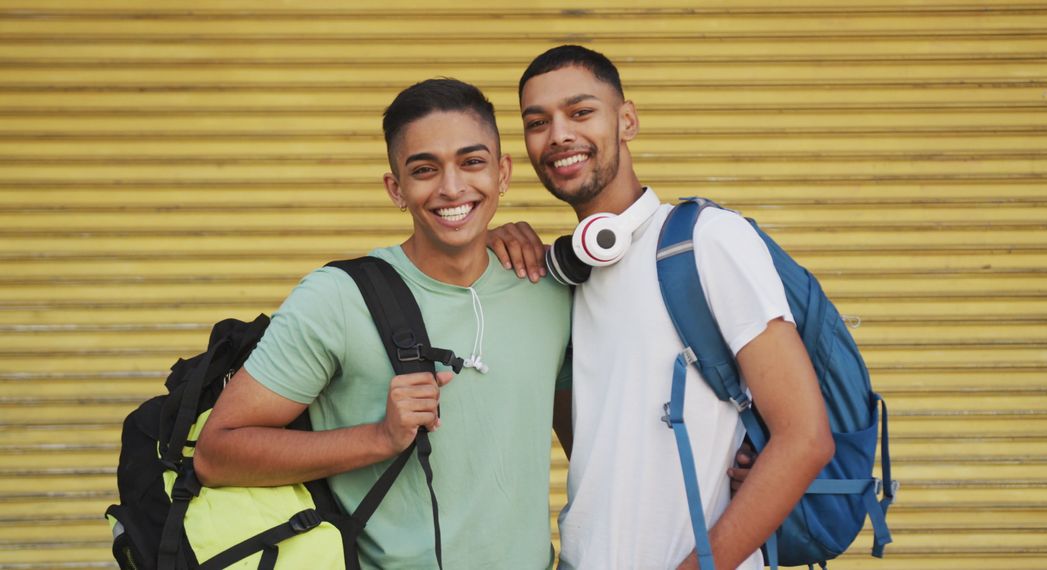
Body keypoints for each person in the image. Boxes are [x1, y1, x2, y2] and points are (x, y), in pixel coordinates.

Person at [195, 78, 573, 569]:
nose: (452, 187)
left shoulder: (549, 289)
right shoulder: (337, 299)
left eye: (472, 162)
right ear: (396, 188)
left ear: (503, 174)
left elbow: (591, 447)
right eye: (424, 169)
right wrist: (378, 438)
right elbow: (216, 454)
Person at [489, 45, 834, 570]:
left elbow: (805, 439)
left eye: (581, 112)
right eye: (537, 122)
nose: (558, 134)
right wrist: (487, 254)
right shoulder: (567, 275)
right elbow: (597, 451)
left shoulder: (708, 241)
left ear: (627, 120)